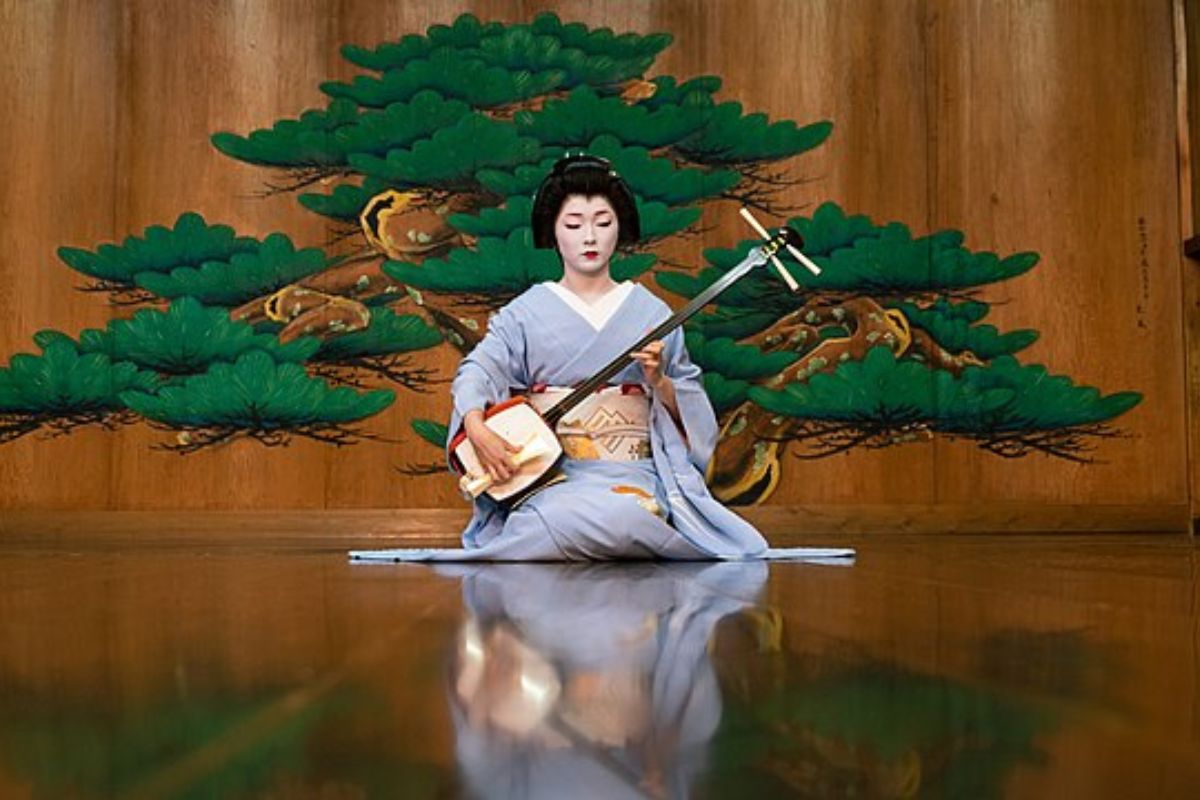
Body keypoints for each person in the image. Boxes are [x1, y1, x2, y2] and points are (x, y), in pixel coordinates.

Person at [350, 154, 854, 563]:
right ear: (554, 231)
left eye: (602, 222)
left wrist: (660, 383)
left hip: (632, 473)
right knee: (565, 517)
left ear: (620, 229)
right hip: (552, 472)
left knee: (625, 516)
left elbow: (693, 412)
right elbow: (479, 370)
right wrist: (477, 425)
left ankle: (607, 531)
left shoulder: (650, 311)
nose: (589, 237)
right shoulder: (525, 312)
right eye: (574, 223)